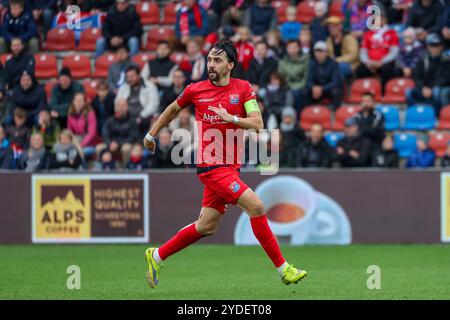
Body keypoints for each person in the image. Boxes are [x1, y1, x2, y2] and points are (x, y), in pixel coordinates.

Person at [142, 40, 307, 288]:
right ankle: (284, 269)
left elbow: (257, 123)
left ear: (230, 65)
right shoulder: (195, 90)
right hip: (211, 166)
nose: (211, 64)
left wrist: (232, 118)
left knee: (206, 227)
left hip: (231, 167)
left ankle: (156, 256)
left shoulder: (243, 89)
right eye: (209, 59)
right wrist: (151, 134)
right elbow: (172, 109)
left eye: (217, 60)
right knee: (257, 207)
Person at [355, 11, 399, 90]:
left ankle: (384, 93)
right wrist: (368, 62)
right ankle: (364, 92)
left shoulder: (392, 33)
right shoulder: (368, 34)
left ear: (385, 20)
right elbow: (363, 51)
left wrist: (381, 62)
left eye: (381, 18)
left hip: (385, 62)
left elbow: (394, 52)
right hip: (370, 62)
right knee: (359, 70)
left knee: (388, 70)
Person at [406, 33, 446, 113]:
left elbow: (446, 78)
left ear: (441, 47)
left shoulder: (446, 60)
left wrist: (431, 88)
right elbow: (416, 76)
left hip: (437, 87)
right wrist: (422, 87)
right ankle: (413, 114)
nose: (434, 48)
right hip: (423, 87)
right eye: (432, 46)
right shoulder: (422, 59)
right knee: (408, 92)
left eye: (437, 46)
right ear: (428, 47)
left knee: (437, 91)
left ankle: (436, 115)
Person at [116, 65, 160, 134]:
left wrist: (141, 116)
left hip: (144, 117)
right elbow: (117, 102)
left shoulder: (150, 86)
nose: (130, 79)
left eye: (132, 76)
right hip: (127, 117)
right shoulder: (123, 87)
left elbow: (153, 106)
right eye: (128, 77)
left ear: (139, 75)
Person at [98, 98, 140, 165]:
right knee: (99, 148)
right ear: (115, 108)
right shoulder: (110, 121)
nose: (121, 108)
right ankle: (102, 172)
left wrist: (118, 144)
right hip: (112, 144)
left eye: (123, 106)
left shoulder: (132, 121)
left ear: (127, 107)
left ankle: (128, 170)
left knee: (126, 148)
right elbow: (105, 135)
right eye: (119, 106)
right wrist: (110, 143)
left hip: (126, 144)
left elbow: (133, 137)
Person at [302, 41, 342, 110]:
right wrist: (313, 87)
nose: (319, 54)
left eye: (322, 51)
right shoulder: (311, 63)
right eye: (317, 51)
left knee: (336, 91)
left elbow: (336, 81)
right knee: (305, 91)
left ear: (326, 52)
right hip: (316, 89)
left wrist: (322, 88)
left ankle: (334, 109)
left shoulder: (333, 63)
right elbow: (309, 79)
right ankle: (309, 109)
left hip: (328, 89)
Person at [278, 40, 310, 112]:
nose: (292, 50)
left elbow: (306, 77)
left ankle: (298, 114)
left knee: (296, 93)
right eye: (289, 48)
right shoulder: (282, 62)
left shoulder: (306, 60)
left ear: (299, 48)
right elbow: (281, 77)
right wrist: (290, 85)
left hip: (302, 86)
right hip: (287, 86)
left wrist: (296, 86)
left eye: (294, 47)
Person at [325, 16, 359, 80]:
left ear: (340, 27)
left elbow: (353, 55)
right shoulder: (328, 40)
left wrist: (337, 60)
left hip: (350, 65)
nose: (330, 29)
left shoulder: (349, 38)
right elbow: (328, 54)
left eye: (333, 27)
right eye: (329, 27)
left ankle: (337, 87)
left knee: (340, 67)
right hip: (334, 64)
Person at [67, 92, 98, 158]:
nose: (79, 103)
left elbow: (92, 133)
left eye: (81, 101)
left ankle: (83, 167)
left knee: (76, 152)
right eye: (77, 100)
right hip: (76, 140)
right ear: (73, 102)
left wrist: (80, 145)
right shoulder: (70, 113)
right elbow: (70, 132)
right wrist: (74, 142)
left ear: (84, 102)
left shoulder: (90, 113)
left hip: (89, 142)